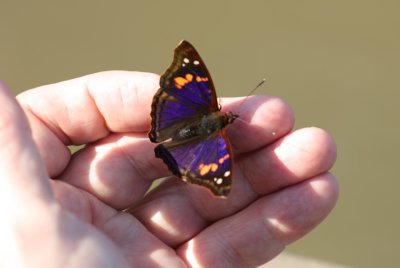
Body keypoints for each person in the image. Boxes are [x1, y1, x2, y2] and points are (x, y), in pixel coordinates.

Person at [0, 71, 338, 267]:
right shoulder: (221, 141)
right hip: (184, 145)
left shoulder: (215, 123)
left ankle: (168, 143)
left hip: (171, 120)